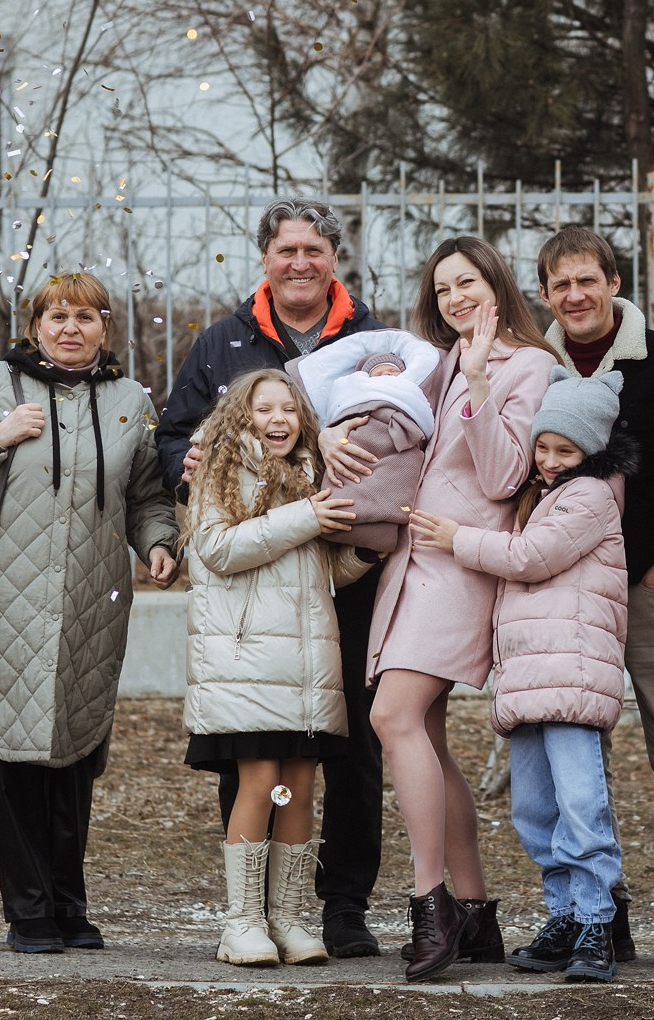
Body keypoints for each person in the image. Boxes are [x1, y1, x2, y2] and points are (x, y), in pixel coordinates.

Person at [155, 199, 394, 957]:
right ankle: (248, 911)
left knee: (338, 752)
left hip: (329, 602)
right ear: (266, 256)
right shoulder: (223, 341)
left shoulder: (371, 337)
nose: (300, 261)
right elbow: (172, 440)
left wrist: (378, 540)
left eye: (314, 249)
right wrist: (183, 468)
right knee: (257, 762)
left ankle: (338, 902)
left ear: (333, 258)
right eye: (287, 248)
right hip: (250, 619)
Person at [0, 271, 181, 955]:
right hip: (6, 600)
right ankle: (29, 910)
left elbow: (148, 492)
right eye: (57, 315)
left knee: (73, 751)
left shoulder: (130, 400)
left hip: (92, 603)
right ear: (35, 325)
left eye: (87, 316)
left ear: (106, 328)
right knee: (12, 755)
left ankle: (70, 903)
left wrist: (157, 543)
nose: (71, 327)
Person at [362, 235, 555, 981]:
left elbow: (508, 473)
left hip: (463, 563)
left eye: (466, 282)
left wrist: (477, 381)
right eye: (442, 289)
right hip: (414, 560)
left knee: (393, 716)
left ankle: (428, 902)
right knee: (429, 739)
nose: (454, 299)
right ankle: (475, 913)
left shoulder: (528, 364)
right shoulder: (436, 362)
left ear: (496, 284)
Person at [534, 226, 654, 970]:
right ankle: (600, 911)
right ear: (545, 293)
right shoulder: (534, 362)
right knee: (583, 754)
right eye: (560, 284)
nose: (575, 296)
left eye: (588, 279)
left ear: (613, 281)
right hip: (568, 594)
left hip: (645, 586)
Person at [411, 367, 634, 983]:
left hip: (571, 678)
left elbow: (533, 560)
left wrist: (460, 538)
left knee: (581, 803)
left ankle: (595, 923)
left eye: (568, 450)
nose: (553, 459)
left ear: (593, 451)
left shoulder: (591, 497)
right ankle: (563, 914)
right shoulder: (538, 497)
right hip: (531, 678)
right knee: (534, 809)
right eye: (544, 446)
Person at [179, 369, 375, 967]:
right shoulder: (219, 470)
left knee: (298, 790)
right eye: (264, 410)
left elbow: (320, 569)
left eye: (289, 410)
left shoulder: (308, 473)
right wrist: (308, 519)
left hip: (303, 665)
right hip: (246, 665)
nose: (279, 420)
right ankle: (242, 921)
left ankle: (287, 919)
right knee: (259, 780)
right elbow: (217, 549)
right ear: (242, 416)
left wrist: (363, 553)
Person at [292, 327, 440, 554]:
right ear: (364, 379)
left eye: (392, 372)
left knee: (397, 479)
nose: (386, 377)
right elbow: (341, 415)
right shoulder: (350, 394)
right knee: (343, 488)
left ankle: (382, 525)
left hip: (395, 443)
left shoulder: (411, 396)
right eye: (378, 373)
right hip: (358, 435)